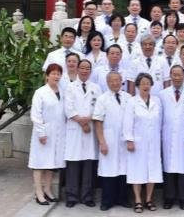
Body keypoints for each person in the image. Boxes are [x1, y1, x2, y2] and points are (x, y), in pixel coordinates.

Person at [64, 59, 102, 208]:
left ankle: (87, 197)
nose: (85, 71)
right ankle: (71, 196)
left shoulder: (96, 88)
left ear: (90, 71)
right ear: (78, 69)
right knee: (73, 164)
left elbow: (99, 108)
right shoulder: (70, 87)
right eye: (82, 68)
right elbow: (68, 108)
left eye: (87, 68)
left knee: (88, 164)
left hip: (90, 128)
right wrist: (81, 122)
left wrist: (88, 120)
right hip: (75, 128)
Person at [123, 73, 163, 213]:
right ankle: (138, 200)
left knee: (152, 170)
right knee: (137, 171)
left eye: (148, 83)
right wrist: (129, 140)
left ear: (151, 85)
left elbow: (160, 121)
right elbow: (128, 122)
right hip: (138, 143)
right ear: (138, 86)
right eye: (143, 83)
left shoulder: (157, 101)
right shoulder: (132, 102)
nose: (146, 86)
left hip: (153, 142)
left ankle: (149, 199)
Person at [159, 65, 184, 210]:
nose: (177, 77)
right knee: (168, 168)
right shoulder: (163, 94)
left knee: (183, 168)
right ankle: (168, 198)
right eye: (174, 74)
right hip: (168, 135)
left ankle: (183, 198)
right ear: (170, 76)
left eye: (179, 74)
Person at [93, 72, 132, 211]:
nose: (115, 83)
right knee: (109, 171)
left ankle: (123, 199)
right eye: (111, 81)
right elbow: (98, 121)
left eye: (117, 80)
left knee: (123, 170)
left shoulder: (128, 98)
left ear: (122, 81)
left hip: (124, 140)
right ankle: (107, 201)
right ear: (107, 82)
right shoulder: (102, 99)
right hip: (109, 139)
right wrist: (102, 142)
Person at [28, 64, 66, 205]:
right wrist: (41, 133)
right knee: (39, 163)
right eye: (53, 73)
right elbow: (35, 115)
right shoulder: (40, 92)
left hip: (58, 133)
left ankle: (48, 190)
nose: (56, 76)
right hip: (44, 133)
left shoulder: (62, 91)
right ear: (47, 75)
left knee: (51, 164)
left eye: (58, 74)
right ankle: (39, 193)